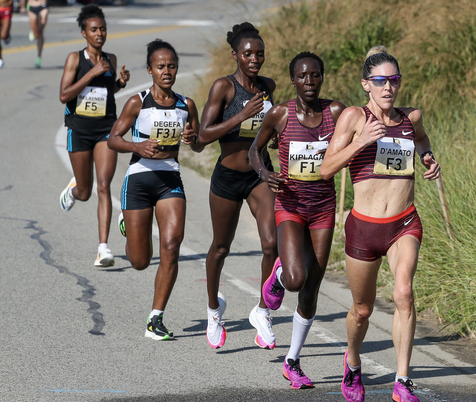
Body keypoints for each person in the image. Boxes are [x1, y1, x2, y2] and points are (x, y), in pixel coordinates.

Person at [320, 46, 441, 402]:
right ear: (365, 85)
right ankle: (353, 361)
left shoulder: (410, 118)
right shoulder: (354, 119)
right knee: (362, 310)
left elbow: (421, 140)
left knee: (404, 293)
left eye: (394, 80)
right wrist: (361, 142)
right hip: (364, 227)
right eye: (380, 81)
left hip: (404, 223)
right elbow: (327, 169)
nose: (388, 87)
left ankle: (402, 381)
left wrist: (428, 157)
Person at [249, 52, 346, 389]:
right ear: (293, 80)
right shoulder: (280, 114)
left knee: (310, 292)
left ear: (322, 77)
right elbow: (254, 150)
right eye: (303, 76)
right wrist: (265, 172)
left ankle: (292, 362)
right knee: (294, 279)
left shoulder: (335, 113)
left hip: (323, 209)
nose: (309, 82)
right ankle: (276, 278)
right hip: (290, 205)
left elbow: (357, 139)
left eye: (315, 75)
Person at [108, 39, 203, 340]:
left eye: (171, 65)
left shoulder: (186, 105)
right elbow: (113, 139)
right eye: (160, 66)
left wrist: (192, 137)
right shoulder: (138, 102)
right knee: (139, 262)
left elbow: (198, 146)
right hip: (138, 179)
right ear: (150, 70)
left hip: (169, 179)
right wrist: (137, 145)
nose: (166, 71)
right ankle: (128, 222)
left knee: (171, 246)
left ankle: (155, 318)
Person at [198, 22, 278, 350]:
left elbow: (270, 126)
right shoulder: (223, 88)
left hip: (259, 174)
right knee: (220, 247)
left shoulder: (268, 86)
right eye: (248, 54)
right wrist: (240, 116)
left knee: (272, 244)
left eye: (259, 54)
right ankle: (214, 310)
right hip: (228, 178)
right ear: (236, 55)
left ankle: (262, 312)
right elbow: (202, 138)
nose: (254, 59)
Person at [58, 4, 130, 268]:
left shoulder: (110, 58)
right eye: (94, 30)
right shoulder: (75, 59)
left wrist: (120, 82)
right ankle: (73, 189)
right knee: (86, 191)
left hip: (104, 131)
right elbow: (64, 96)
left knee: (103, 186)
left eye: (103, 29)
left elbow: (107, 90)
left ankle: (103, 249)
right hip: (78, 130)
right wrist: (91, 73)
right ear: (84, 33)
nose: (99, 33)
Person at [22, 0, 59, 68]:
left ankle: (39, 57)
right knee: (36, 35)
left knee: (40, 31)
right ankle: (33, 32)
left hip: (43, 5)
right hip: (31, 6)